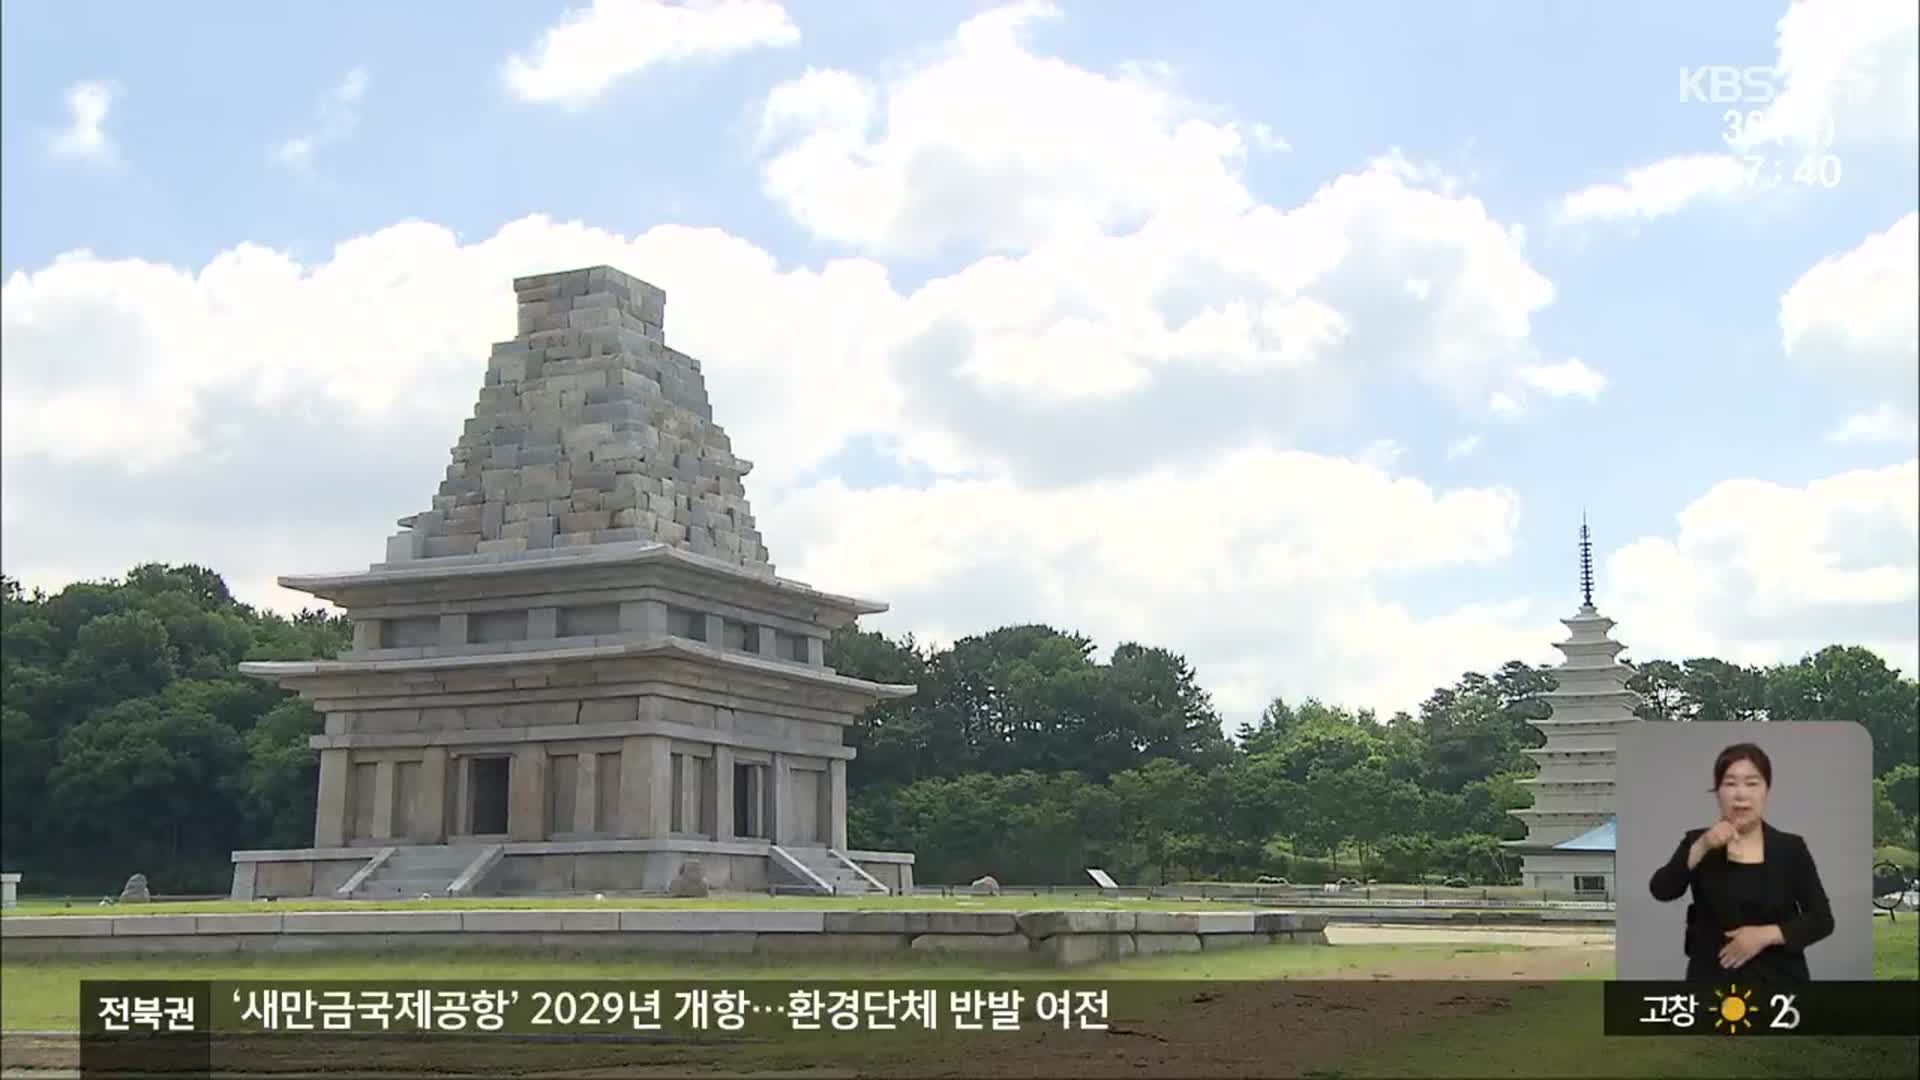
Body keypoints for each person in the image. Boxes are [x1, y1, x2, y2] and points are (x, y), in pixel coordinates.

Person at [1648, 742, 1834, 983]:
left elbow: (1821, 919)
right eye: (1730, 783)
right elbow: (1662, 890)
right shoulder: (1697, 842)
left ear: (1767, 790)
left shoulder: (1790, 848)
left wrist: (1764, 935)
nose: (1741, 794)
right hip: (1711, 981)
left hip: (1780, 982)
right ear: (1717, 792)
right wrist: (1703, 846)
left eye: (1752, 783)